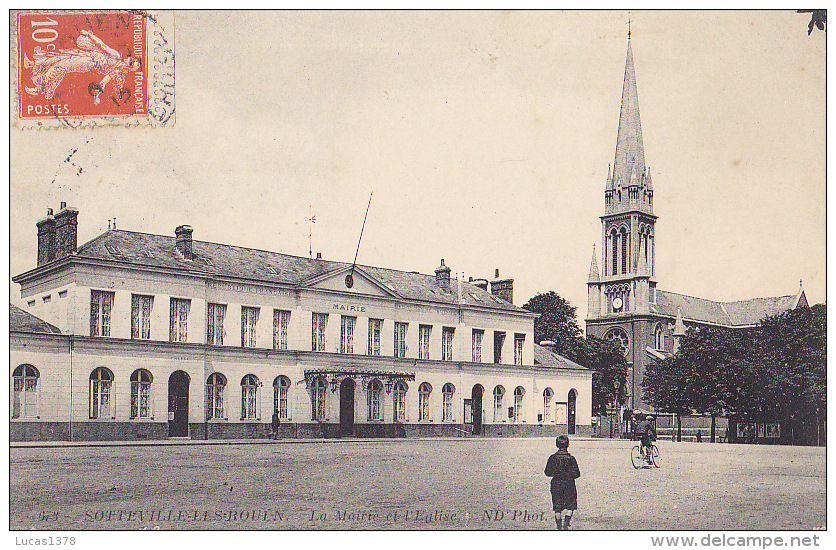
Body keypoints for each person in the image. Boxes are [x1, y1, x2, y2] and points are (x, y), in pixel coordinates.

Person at [544, 435, 581, 530]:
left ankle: (559, 526)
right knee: (571, 506)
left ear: (556, 445)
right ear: (568, 445)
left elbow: (547, 473)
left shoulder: (552, 458)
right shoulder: (571, 458)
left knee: (557, 507)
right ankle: (566, 523)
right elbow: (577, 474)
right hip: (569, 484)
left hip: (556, 484)